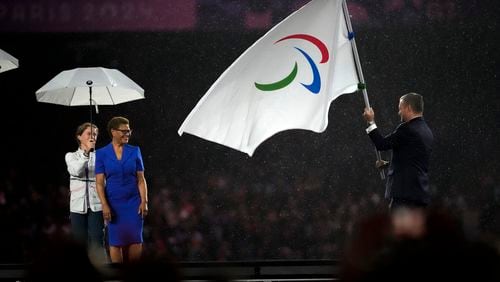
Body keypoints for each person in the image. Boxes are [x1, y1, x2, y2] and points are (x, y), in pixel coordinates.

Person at [362, 92, 434, 211]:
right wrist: (388, 165)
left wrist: (371, 122)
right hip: (419, 195)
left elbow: (381, 144)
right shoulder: (427, 131)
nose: (399, 112)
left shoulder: (407, 129)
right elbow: (412, 161)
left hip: (404, 195)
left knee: (400, 229)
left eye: (400, 108)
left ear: (408, 108)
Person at [95, 116, 148, 263]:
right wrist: (104, 205)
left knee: (135, 239)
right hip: (113, 204)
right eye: (124, 131)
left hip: (133, 203)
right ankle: (118, 277)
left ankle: (133, 276)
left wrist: (144, 201)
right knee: (115, 241)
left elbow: (141, 179)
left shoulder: (135, 151)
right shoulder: (101, 154)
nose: (128, 134)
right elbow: (99, 183)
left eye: (129, 131)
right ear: (113, 132)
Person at [65, 122, 106, 263]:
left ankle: (102, 272)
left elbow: (103, 179)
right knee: (80, 243)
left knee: (97, 240)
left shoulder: (100, 157)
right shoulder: (71, 156)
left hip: (97, 204)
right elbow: (76, 171)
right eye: (89, 133)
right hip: (77, 205)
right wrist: (86, 153)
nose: (92, 136)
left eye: (95, 134)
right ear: (79, 136)